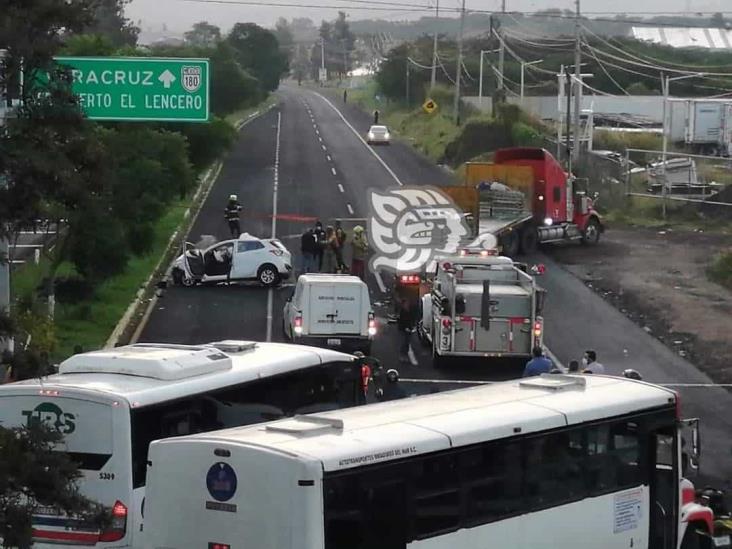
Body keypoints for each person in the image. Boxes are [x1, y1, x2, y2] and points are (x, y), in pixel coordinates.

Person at [397, 298, 419, 363]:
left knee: (407, 343)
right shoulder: (403, 311)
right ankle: (402, 355)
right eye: (406, 303)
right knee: (403, 342)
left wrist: (411, 326)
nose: (407, 304)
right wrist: (405, 327)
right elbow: (401, 321)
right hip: (403, 329)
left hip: (409, 329)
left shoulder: (411, 310)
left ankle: (405, 355)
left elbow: (412, 319)